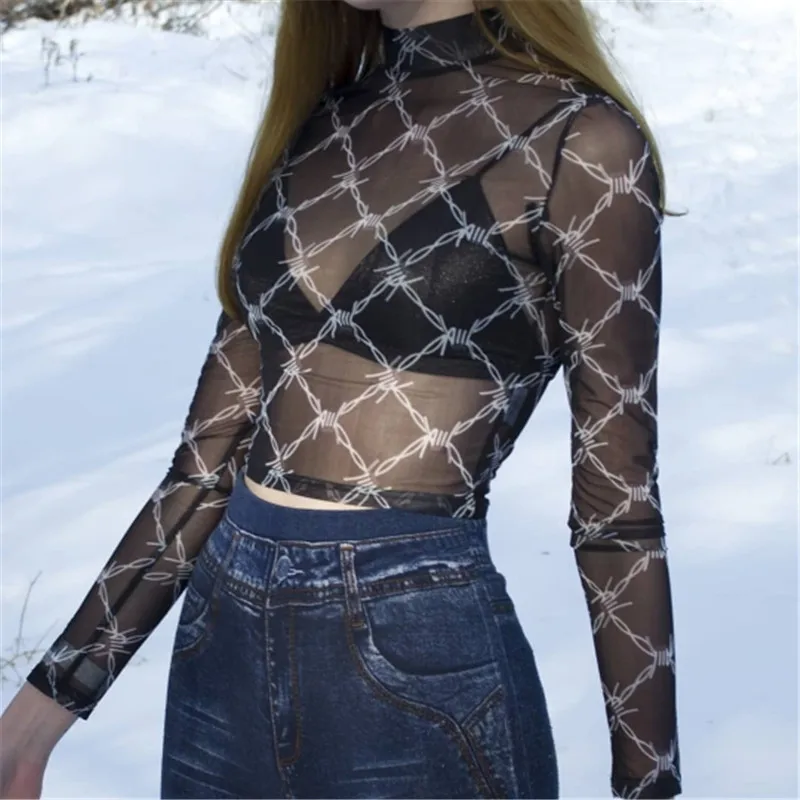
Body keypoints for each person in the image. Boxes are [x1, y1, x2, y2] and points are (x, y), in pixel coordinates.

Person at [0, 0, 681, 797]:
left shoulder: (582, 141)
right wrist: (36, 718)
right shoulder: (324, 119)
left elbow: (617, 503)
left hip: (414, 642)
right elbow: (207, 464)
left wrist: (648, 781)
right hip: (220, 638)